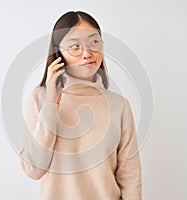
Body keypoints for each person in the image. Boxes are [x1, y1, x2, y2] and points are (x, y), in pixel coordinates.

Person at [20, 11, 142, 200]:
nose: (87, 54)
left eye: (94, 42)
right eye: (75, 46)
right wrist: (52, 104)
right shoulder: (40, 98)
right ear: (58, 52)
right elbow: (33, 169)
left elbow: (130, 177)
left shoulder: (120, 106)